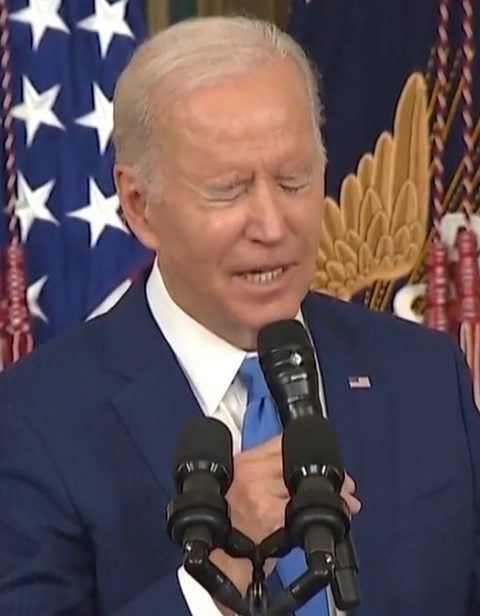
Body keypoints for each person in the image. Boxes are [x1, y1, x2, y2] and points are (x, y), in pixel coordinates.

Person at [0, 15, 478, 616]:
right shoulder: (34, 420)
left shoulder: (425, 376)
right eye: (229, 190)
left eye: (293, 182)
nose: (273, 227)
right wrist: (216, 580)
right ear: (140, 206)